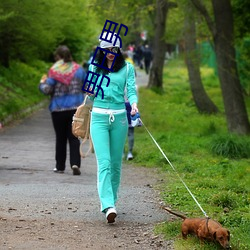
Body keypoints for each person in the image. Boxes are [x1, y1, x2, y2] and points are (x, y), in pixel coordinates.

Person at [86, 33, 138, 223]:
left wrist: (134, 104)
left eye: (114, 49)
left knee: (116, 164)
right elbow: (90, 97)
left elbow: (131, 90)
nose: (111, 53)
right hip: (98, 118)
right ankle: (108, 205)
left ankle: (112, 201)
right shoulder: (94, 67)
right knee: (105, 162)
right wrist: (89, 92)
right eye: (107, 49)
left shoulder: (127, 68)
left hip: (119, 119)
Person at [39, 45, 86, 175]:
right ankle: (75, 163)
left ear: (58, 57)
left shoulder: (54, 71)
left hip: (58, 109)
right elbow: (86, 87)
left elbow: (47, 90)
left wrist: (42, 83)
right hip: (76, 109)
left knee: (60, 138)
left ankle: (60, 167)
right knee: (74, 136)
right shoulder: (79, 70)